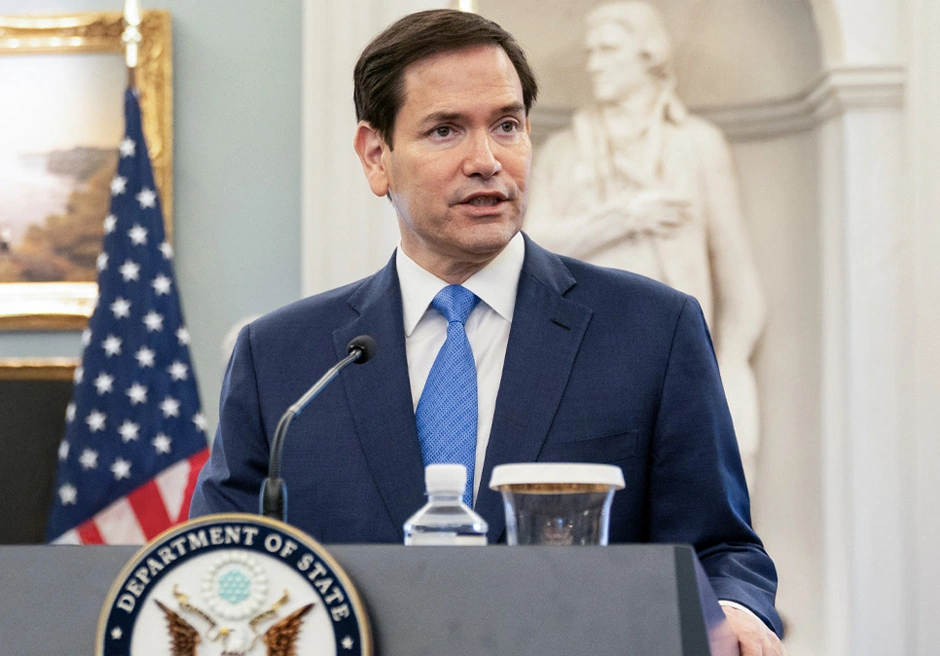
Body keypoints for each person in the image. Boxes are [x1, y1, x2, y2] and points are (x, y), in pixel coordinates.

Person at [191, 9, 783, 653]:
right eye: (445, 130)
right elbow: (217, 570)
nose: (487, 160)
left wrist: (734, 611)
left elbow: (720, 548)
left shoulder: (652, 331)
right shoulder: (281, 359)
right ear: (376, 157)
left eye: (507, 125)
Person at [526, 2, 767, 489]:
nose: (594, 64)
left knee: (686, 500)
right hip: (581, 362)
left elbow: (736, 271)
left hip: (675, 361)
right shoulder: (562, 151)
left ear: (649, 54)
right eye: (590, 52)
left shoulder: (697, 145)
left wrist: (731, 365)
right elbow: (533, 249)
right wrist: (622, 217)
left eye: (608, 50)